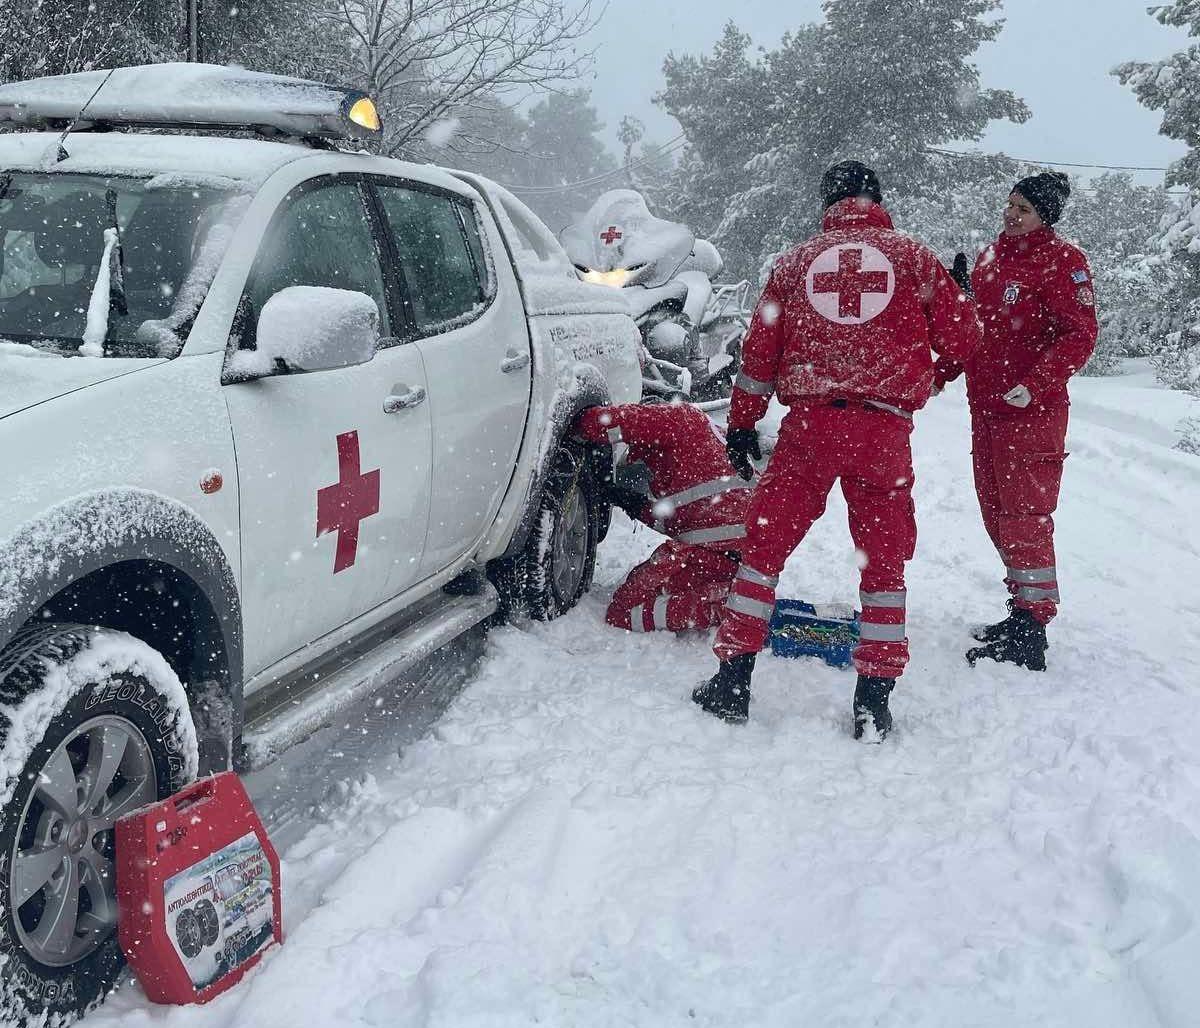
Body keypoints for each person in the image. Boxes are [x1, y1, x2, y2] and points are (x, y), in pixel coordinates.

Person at [692, 160, 981, 738]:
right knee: (884, 563)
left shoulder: (793, 265)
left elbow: (758, 356)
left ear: (828, 202)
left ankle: (732, 681)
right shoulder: (914, 258)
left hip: (809, 429)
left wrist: (743, 422)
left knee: (764, 551)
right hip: (883, 435)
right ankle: (874, 699)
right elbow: (964, 340)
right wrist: (931, 373)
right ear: (876, 198)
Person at [935, 172, 1098, 672]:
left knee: (1025, 515)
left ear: (1045, 216)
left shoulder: (1064, 262)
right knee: (995, 511)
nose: (1012, 214)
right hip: (985, 409)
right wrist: (939, 371)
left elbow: (1080, 334)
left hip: (1032, 412)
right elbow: (972, 332)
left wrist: (1039, 381)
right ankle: (1020, 609)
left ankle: (1033, 629)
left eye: (1024, 209)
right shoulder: (989, 258)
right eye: (1010, 204)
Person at [576, 402, 752, 633]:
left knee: (627, 612)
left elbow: (606, 423)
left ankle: (733, 605)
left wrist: (574, 423)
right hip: (740, 550)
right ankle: (739, 593)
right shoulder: (705, 439)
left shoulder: (675, 419)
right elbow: (690, 518)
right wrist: (632, 503)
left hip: (720, 552)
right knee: (638, 582)